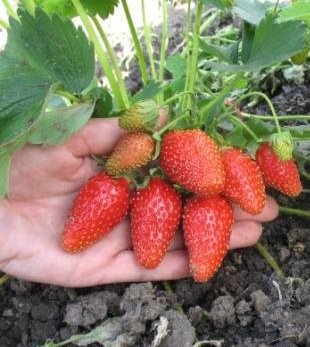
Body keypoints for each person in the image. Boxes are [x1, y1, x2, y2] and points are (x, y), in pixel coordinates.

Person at [0, 117, 278, 287]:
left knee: (224, 194)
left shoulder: (191, 181)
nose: (211, 183)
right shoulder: (124, 189)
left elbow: (209, 181)